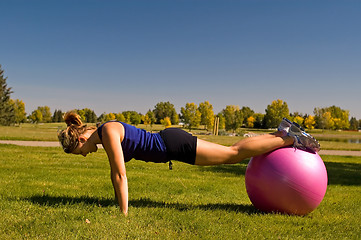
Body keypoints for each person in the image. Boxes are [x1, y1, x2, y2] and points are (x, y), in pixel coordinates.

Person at [58, 111, 320, 216]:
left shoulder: (108, 132)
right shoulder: (105, 134)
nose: (83, 155)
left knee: (232, 153)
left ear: (81, 139)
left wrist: (123, 215)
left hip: (174, 144)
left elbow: (119, 175)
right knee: (233, 152)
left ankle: (288, 139)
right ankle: (283, 133)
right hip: (172, 143)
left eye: (79, 152)